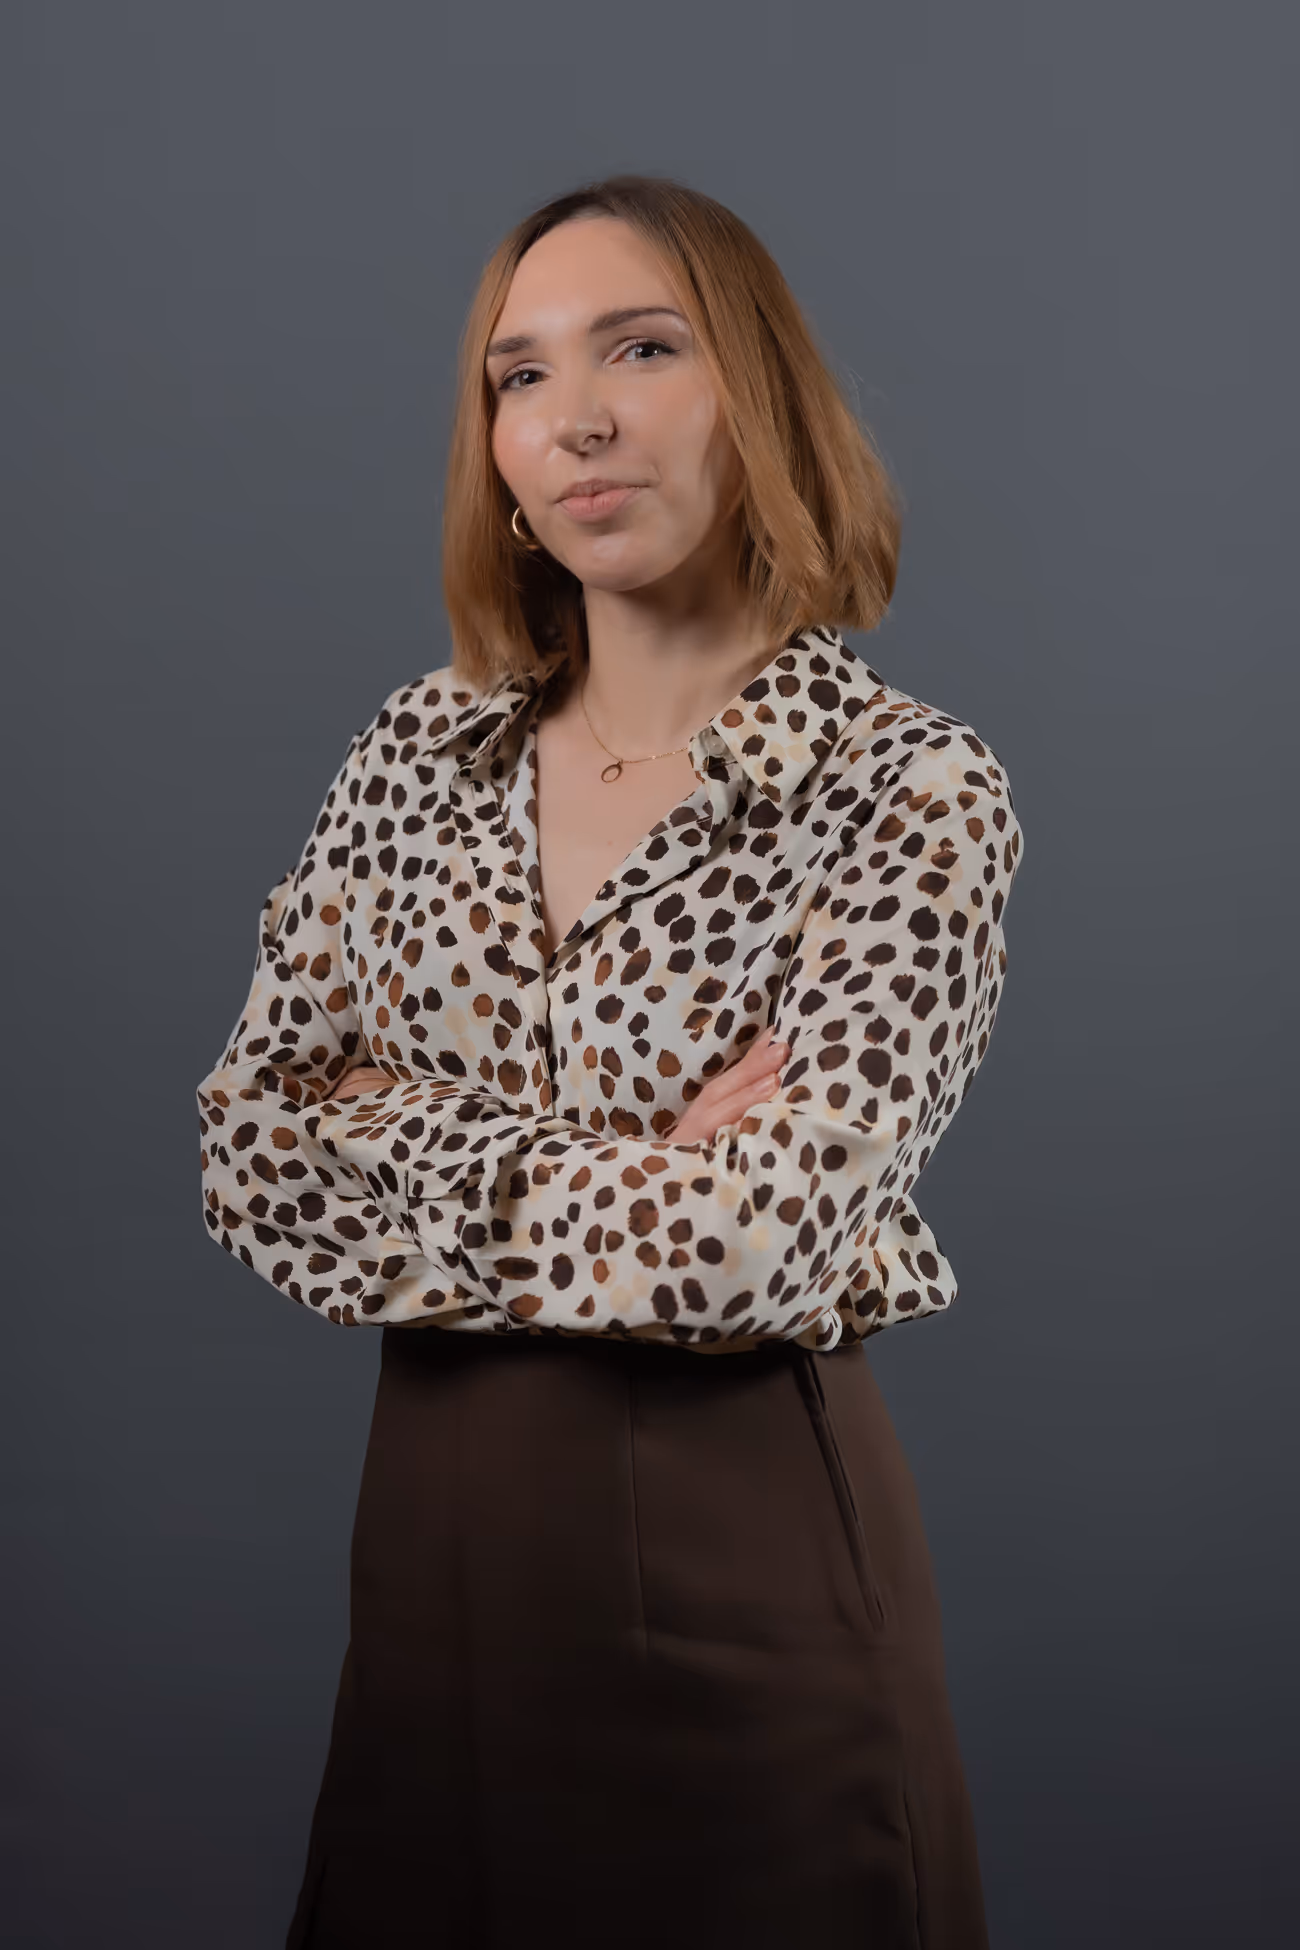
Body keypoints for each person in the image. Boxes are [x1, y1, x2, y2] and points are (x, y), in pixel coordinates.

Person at [196, 172, 1023, 1949]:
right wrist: (635, 1173)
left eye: (641, 349)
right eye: (516, 374)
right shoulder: (419, 753)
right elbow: (254, 1155)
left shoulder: (906, 788)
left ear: (758, 394)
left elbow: (762, 1244)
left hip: (751, 1600)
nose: (571, 417)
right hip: (431, 1602)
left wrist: (399, 1131)